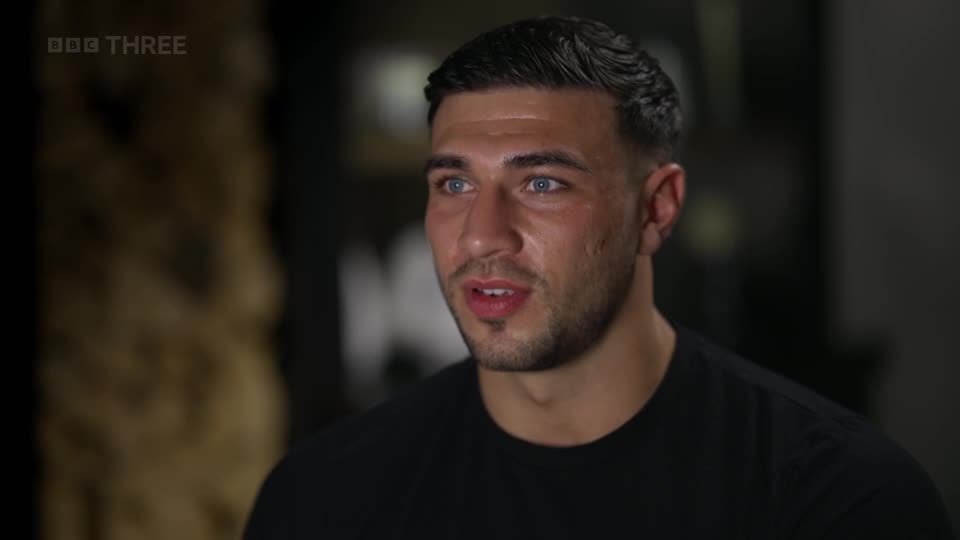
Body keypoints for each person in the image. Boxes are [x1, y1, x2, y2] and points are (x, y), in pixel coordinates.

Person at [243, 15, 954, 539]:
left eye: (544, 183)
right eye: (454, 185)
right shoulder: (323, 503)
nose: (483, 235)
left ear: (657, 208)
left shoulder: (836, 502)